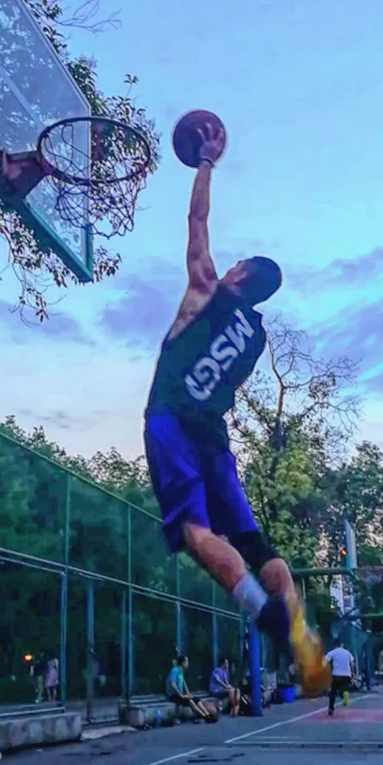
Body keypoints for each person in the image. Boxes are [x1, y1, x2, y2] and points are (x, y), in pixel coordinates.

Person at [143, 122, 328, 697]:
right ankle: (299, 628)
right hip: (214, 437)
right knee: (251, 540)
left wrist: (205, 162)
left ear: (241, 273)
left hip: (172, 421)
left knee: (194, 532)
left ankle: (269, 619)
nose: (226, 266)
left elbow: (196, 222)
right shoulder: (255, 337)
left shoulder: (207, 289)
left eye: (236, 264)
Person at [166, 655, 211, 721]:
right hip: (173, 695)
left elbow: (184, 683)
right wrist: (181, 695)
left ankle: (207, 714)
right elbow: (173, 684)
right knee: (190, 701)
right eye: (187, 662)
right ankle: (204, 716)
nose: (188, 664)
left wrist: (188, 693)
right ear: (183, 663)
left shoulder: (181, 671)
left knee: (197, 699)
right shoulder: (175, 670)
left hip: (180, 694)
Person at [325, 639, 354, 716]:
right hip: (347, 675)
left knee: (333, 692)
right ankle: (344, 694)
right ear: (341, 645)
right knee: (344, 688)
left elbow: (326, 661)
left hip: (336, 674)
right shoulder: (347, 652)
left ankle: (331, 709)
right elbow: (352, 663)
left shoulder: (333, 652)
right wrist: (352, 673)